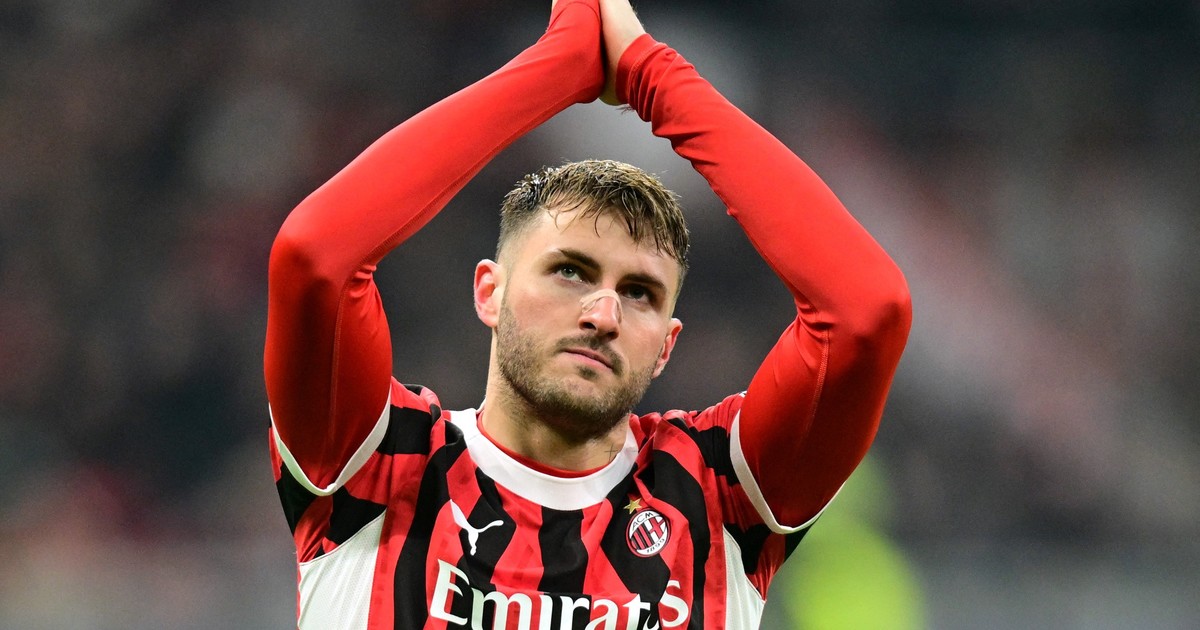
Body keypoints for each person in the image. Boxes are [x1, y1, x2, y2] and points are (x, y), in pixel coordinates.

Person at [263, 0, 911, 628]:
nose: (603, 314)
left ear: (666, 345)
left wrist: (651, 75)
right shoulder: (379, 463)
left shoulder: (717, 494)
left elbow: (864, 312)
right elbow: (316, 258)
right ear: (489, 292)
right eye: (569, 272)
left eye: (640, 293)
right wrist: (558, 66)